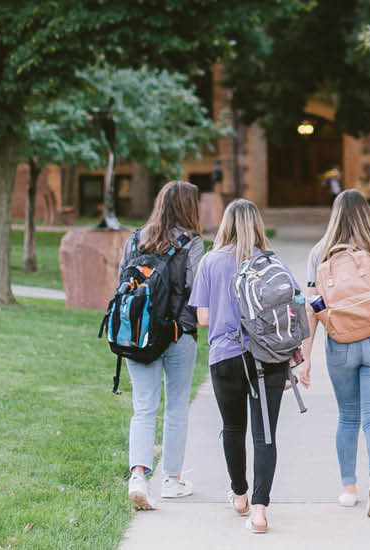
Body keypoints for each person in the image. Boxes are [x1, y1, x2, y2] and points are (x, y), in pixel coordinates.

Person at [188, 199, 300, 534]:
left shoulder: (210, 262)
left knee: (233, 428)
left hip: (226, 355)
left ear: (226, 224)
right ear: (257, 225)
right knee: (265, 433)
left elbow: (204, 317)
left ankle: (240, 495)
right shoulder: (272, 260)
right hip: (269, 355)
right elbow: (292, 306)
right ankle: (261, 511)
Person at [301, 189, 370, 518]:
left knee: (348, 418)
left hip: (341, 344)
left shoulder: (320, 252)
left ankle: (349, 488)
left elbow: (312, 307)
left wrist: (305, 356)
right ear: (365, 214)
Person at [121, 181, 204, 511]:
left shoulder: (136, 238)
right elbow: (196, 288)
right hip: (178, 331)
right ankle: (171, 480)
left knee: (143, 406)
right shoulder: (192, 242)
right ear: (188, 207)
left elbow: (122, 284)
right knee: (176, 405)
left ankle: (138, 476)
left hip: (138, 333)